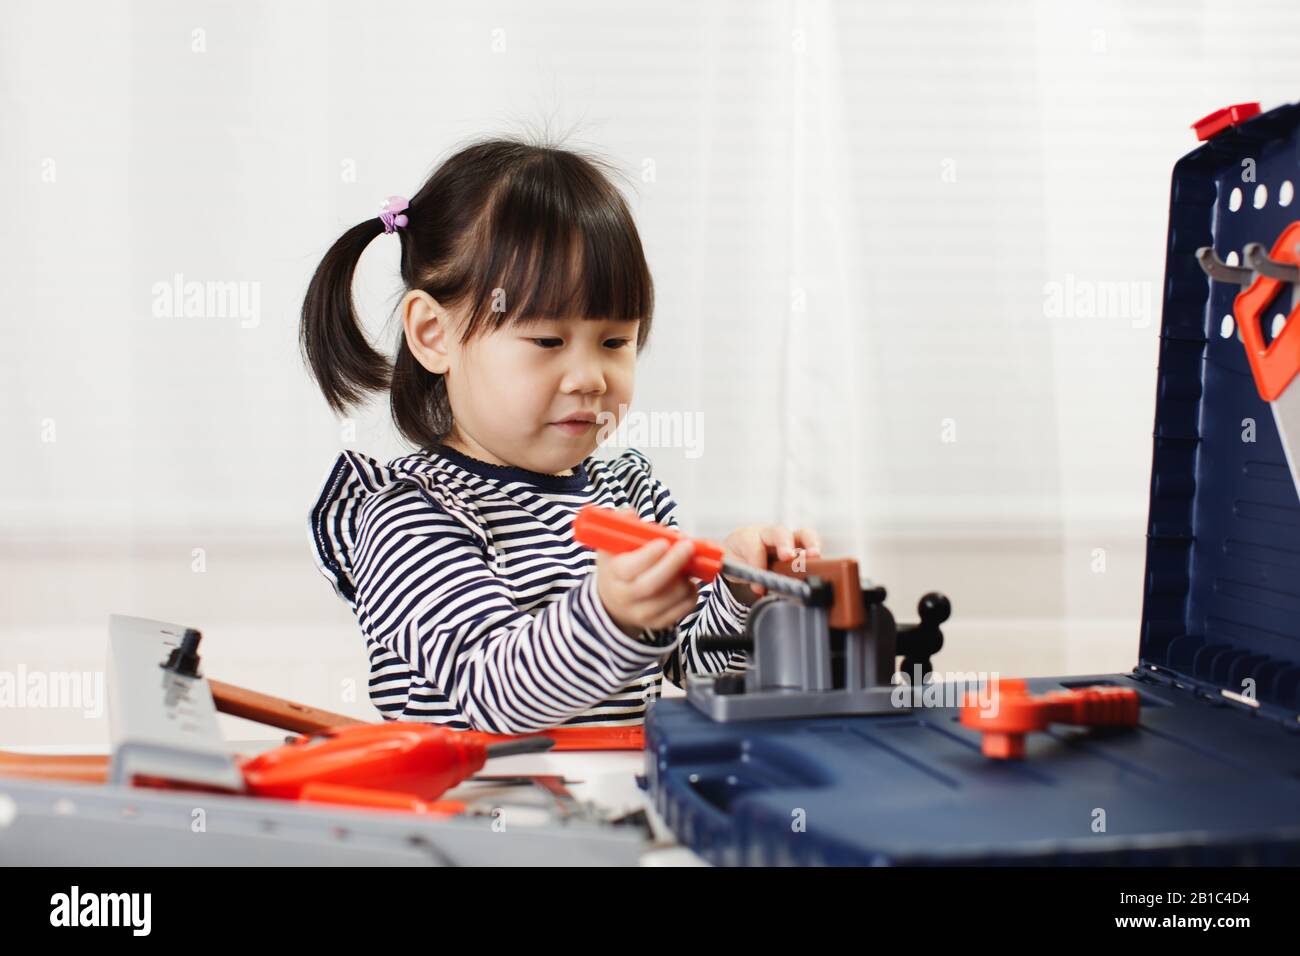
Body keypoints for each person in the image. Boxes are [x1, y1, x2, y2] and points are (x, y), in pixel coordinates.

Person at [300, 136, 821, 732]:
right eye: (548, 341)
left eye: (615, 342)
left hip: (617, 804)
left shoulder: (630, 494)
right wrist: (609, 616)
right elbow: (496, 691)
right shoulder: (408, 516)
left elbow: (699, 667)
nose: (589, 378)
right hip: (481, 809)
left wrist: (742, 593)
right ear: (434, 334)